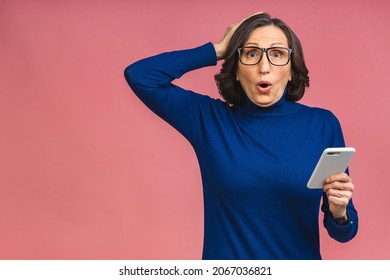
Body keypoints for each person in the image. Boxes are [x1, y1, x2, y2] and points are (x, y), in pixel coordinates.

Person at [124, 13, 358, 260]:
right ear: (236, 71)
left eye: (277, 54)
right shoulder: (210, 120)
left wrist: (339, 212)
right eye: (251, 54)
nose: (264, 67)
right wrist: (218, 49)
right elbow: (140, 76)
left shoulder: (323, 125)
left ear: (292, 70)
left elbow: (344, 233)